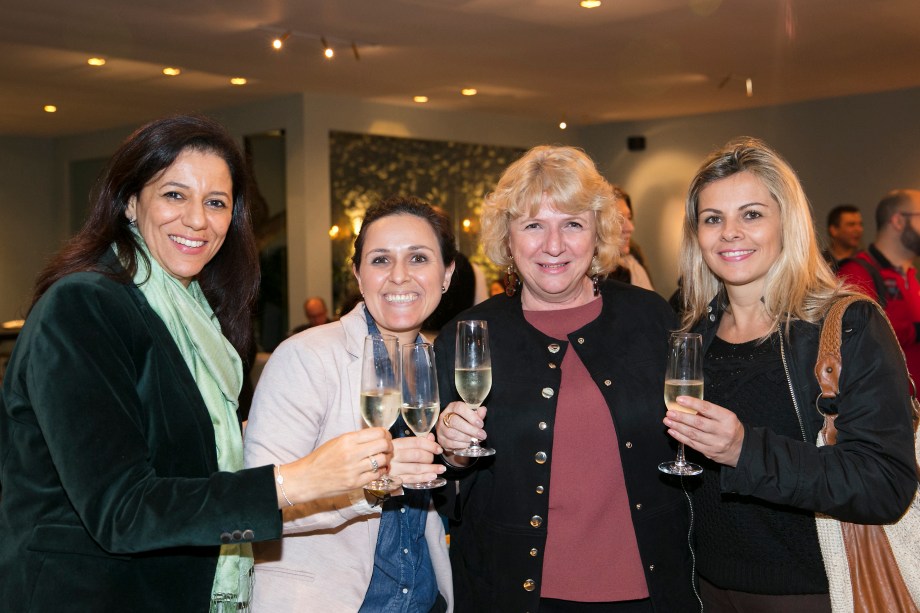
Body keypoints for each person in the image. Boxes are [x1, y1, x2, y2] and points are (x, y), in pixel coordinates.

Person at [0, 114, 393, 612]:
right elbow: (122, 510)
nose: (197, 220)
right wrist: (298, 481)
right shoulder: (83, 306)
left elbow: (175, 455)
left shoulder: (203, 320)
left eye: (216, 203)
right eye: (174, 195)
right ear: (128, 202)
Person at [433, 145, 698, 612]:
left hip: (650, 591)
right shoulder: (470, 336)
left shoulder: (651, 319)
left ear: (598, 233)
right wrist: (452, 456)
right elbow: (437, 490)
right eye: (533, 225)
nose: (553, 246)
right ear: (507, 237)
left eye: (572, 224)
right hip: (512, 594)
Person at [665, 137, 917, 612]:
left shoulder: (847, 326)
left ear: (788, 223)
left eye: (752, 214)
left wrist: (744, 450)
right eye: (712, 219)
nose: (730, 233)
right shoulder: (690, 334)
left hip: (817, 593)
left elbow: (885, 483)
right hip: (703, 591)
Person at [244, 195, 455, 612]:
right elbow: (256, 506)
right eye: (380, 260)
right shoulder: (307, 356)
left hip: (422, 600)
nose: (399, 276)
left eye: (418, 258)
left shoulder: (434, 362)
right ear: (358, 275)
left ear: (446, 274)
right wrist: (371, 486)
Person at [837, 189, 920, 381]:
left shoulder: (909, 274)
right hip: (890, 406)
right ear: (898, 221)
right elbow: (861, 343)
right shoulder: (856, 274)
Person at [608, 188, 654, 291]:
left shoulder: (634, 263)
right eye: (619, 220)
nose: (630, 228)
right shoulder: (586, 276)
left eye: (629, 217)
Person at [821, 204, 863, 270]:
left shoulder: (865, 262)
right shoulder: (821, 263)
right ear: (833, 230)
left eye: (860, 224)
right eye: (851, 225)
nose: (858, 229)